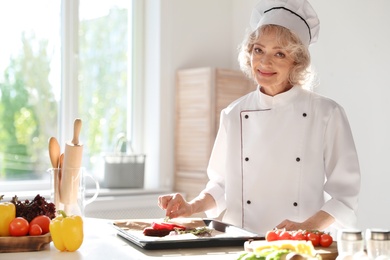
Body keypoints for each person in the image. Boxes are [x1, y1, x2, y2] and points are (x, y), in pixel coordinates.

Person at [159, 0, 361, 236]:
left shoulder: (327, 114)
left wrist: (306, 227)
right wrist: (191, 206)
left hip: (300, 245)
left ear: (296, 61)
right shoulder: (233, 114)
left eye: (280, 53)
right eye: (259, 50)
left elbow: (345, 196)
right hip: (240, 242)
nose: (265, 62)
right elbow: (221, 186)